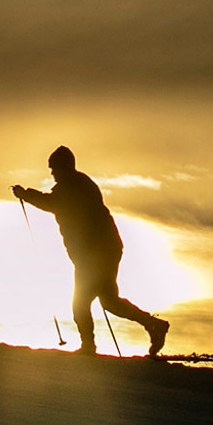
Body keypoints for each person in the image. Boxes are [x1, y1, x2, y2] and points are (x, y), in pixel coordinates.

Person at [13, 146, 169, 356]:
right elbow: (56, 203)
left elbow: (53, 203)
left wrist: (25, 194)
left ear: (64, 167)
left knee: (80, 302)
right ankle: (153, 325)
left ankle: (88, 347)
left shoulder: (72, 188)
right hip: (105, 250)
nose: (52, 173)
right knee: (109, 301)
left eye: (54, 169)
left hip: (95, 255)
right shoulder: (80, 184)